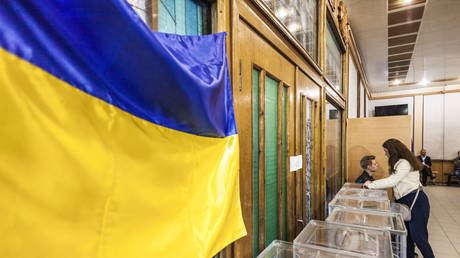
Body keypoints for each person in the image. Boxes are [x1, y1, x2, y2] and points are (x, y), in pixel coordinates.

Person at [364, 139, 434, 258]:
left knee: (419, 237)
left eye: (386, 151)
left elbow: (393, 180)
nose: (385, 154)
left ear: (393, 151)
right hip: (405, 201)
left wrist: (370, 184)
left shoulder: (404, 163)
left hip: (415, 201)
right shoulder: (400, 163)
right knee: (406, 238)